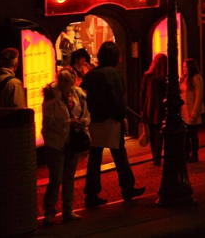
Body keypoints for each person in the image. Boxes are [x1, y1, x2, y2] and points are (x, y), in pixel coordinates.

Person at [81, 42, 144, 208]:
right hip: (111, 120)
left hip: (94, 121)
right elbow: (118, 98)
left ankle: (91, 194)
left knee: (95, 157)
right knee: (120, 155)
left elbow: (83, 95)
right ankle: (128, 188)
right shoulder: (113, 74)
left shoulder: (91, 75)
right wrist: (121, 116)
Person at [41, 69, 90, 225]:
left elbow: (86, 114)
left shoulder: (79, 96)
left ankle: (68, 210)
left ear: (73, 81)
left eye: (66, 80)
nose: (62, 83)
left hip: (73, 141)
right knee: (56, 178)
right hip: (55, 142)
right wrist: (69, 123)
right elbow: (48, 121)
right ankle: (49, 210)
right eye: (60, 79)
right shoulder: (51, 96)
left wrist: (83, 122)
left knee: (69, 177)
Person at [139, 53, 168, 166]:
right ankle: (157, 157)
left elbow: (142, 93)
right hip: (160, 108)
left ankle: (154, 156)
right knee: (159, 134)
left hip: (149, 108)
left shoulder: (147, 76)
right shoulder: (165, 78)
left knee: (151, 133)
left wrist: (141, 109)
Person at [180, 58, 204, 163]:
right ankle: (186, 153)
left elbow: (199, 97)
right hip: (183, 110)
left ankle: (194, 154)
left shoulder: (196, 78)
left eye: (186, 67)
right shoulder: (184, 79)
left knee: (192, 133)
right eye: (183, 67)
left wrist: (195, 112)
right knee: (185, 133)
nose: (184, 69)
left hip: (191, 110)